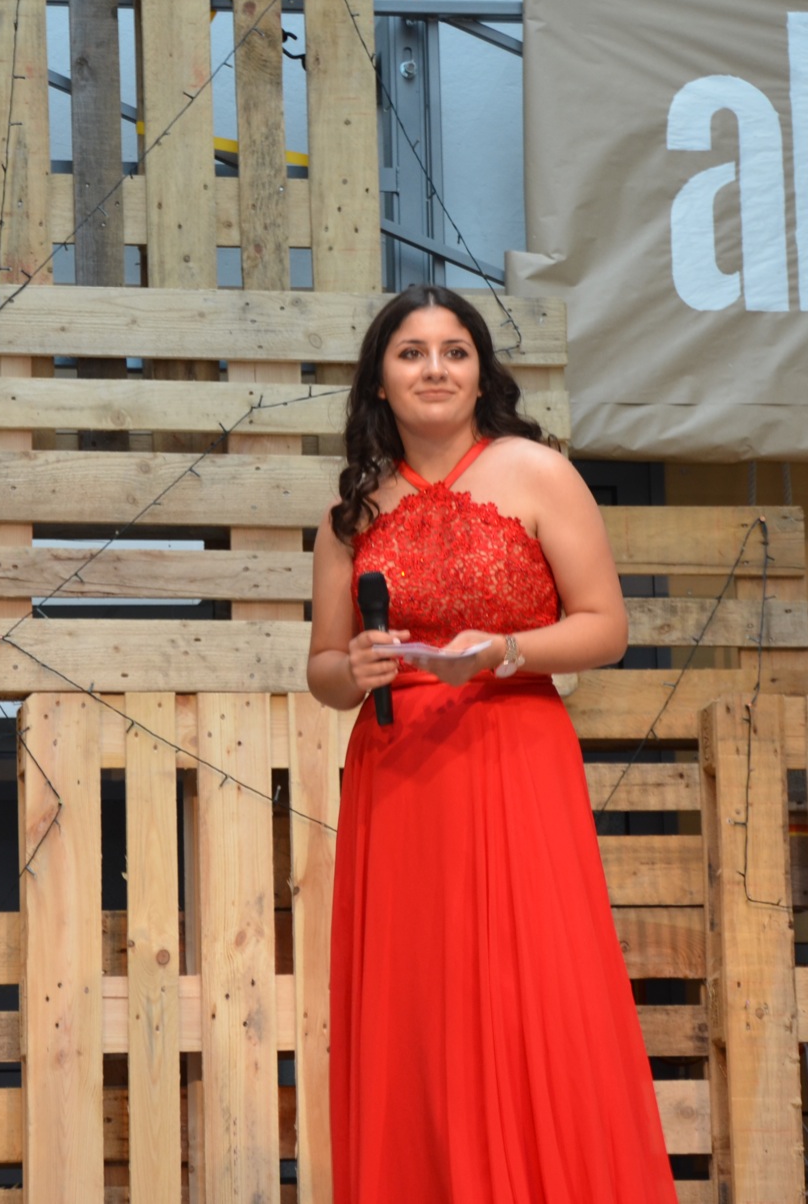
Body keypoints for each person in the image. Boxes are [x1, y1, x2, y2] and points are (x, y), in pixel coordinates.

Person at [307, 284, 678, 1203]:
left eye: (454, 351)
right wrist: (353, 666)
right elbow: (319, 669)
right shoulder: (349, 512)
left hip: (515, 754)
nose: (434, 368)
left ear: (481, 375)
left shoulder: (537, 472)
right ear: (380, 382)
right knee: (418, 1011)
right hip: (396, 775)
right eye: (411, 353)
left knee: (533, 992)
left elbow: (606, 628)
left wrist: (508, 651)